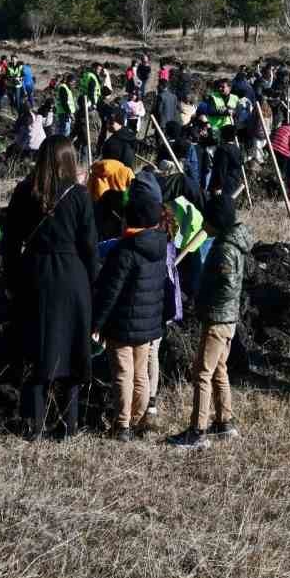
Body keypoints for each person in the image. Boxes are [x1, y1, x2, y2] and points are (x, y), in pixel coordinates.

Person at [0, 136, 99, 440]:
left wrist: (13, 280)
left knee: (36, 349)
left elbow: (10, 243)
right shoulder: (80, 196)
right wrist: (92, 283)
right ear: (69, 160)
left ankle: (36, 426)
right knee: (72, 350)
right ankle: (70, 426)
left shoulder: (24, 192)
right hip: (73, 278)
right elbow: (90, 247)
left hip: (35, 275)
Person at [92, 173, 170, 440]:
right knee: (141, 375)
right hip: (148, 326)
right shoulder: (160, 248)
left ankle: (122, 424)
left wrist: (97, 323)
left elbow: (108, 292)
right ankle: (138, 419)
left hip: (122, 326)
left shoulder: (124, 252)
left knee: (123, 374)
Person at [170, 198, 251, 449]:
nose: (203, 224)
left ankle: (197, 431)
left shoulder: (225, 249)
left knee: (201, 373)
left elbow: (225, 285)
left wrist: (203, 298)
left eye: (207, 220)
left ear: (217, 222)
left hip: (218, 318)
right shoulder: (231, 243)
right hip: (227, 318)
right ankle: (224, 422)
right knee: (218, 369)